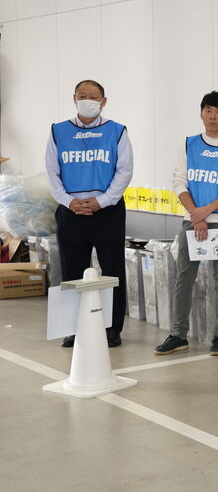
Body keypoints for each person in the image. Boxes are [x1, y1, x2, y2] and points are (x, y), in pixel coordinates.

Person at [154, 91, 218, 357]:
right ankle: (178, 335)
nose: (213, 116)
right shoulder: (189, 144)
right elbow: (179, 181)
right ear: (201, 113)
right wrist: (195, 215)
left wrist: (204, 213)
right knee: (183, 277)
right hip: (192, 220)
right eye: (208, 110)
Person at [46, 79, 133, 348]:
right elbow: (52, 173)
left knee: (112, 270)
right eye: (82, 95)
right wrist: (69, 202)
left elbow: (124, 171)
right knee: (72, 271)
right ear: (74, 99)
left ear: (103, 102)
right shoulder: (58, 131)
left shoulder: (117, 131)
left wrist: (102, 201)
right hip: (71, 211)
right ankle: (73, 328)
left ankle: (112, 328)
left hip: (107, 211)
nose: (87, 100)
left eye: (93, 96)